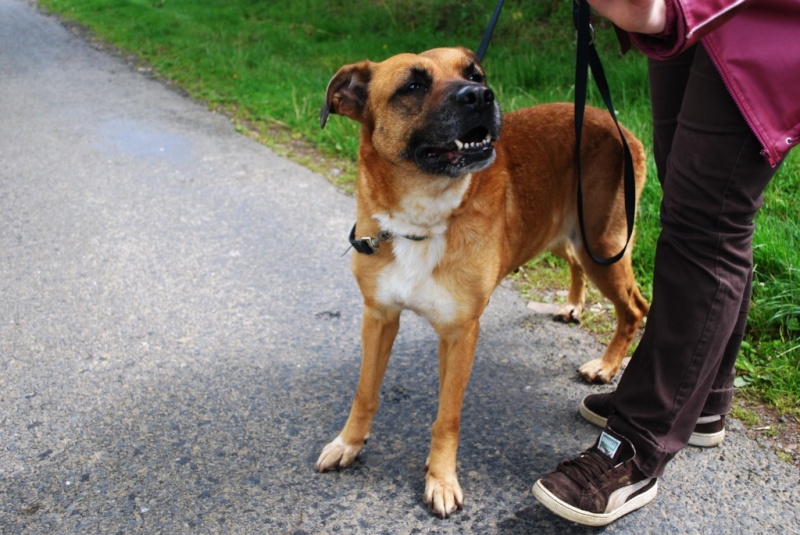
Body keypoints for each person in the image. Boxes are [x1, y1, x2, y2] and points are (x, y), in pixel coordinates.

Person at [531, 0, 800, 527]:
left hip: (760, 15)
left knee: (707, 222)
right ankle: (701, 402)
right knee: (696, 209)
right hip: (694, 20)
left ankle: (635, 444)